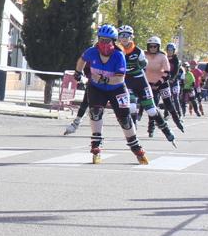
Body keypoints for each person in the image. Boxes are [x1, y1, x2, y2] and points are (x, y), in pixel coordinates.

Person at [72, 24, 147, 164]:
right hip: (97, 88)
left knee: (124, 118)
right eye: (101, 40)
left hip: (116, 88)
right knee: (95, 112)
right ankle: (96, 143)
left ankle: (135, 146)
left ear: (113, 41)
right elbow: (82, 60)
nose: (104, 44)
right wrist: (78, 72)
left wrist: (102, 78)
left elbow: (119, 78)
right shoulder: (91, 51)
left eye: (107, 40)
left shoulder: (119, 56)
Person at [116, 26, 176, 145]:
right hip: (127, 82)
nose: (124, 38)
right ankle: (133, 133)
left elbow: (144, 65)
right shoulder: (117, 51)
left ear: (131, 37)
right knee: (132, 107)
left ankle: (166, 130)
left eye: (127, 35)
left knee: (152, 110)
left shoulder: (138, 51)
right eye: (121, 35)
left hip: (140, 81)